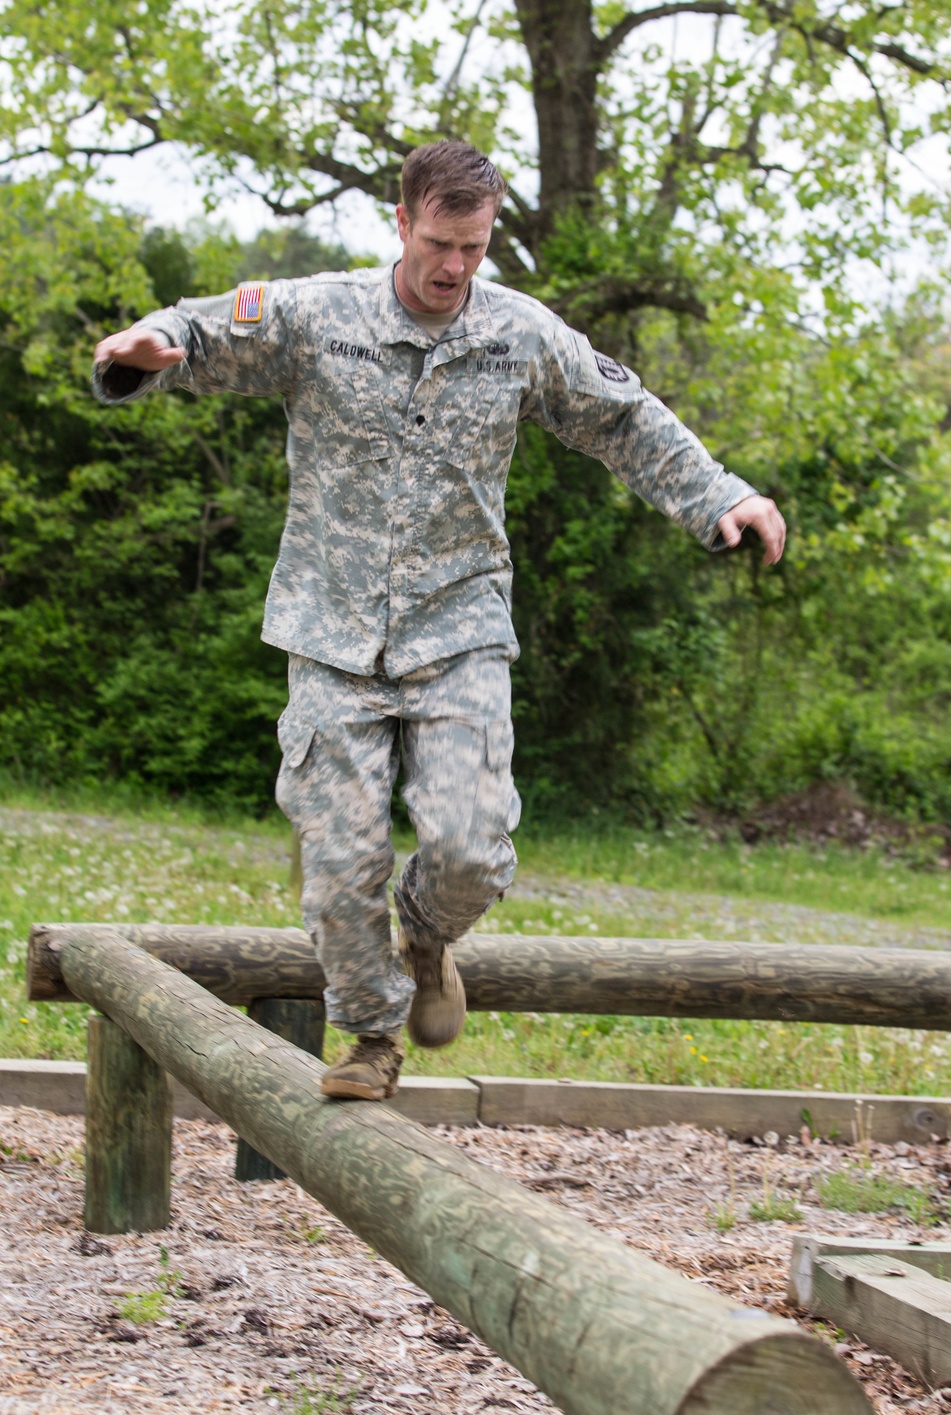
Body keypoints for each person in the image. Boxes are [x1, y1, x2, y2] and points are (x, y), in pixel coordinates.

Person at [92, 140, 785, 1101]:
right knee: (339, 866)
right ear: (402, 221)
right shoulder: (316, 316)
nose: (456, 267)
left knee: (469, 844)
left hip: (458, 625)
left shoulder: (518, 333)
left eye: (475, 245)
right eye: (439, 243)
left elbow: (622, 418)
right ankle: (373, 1039)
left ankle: (427, 934)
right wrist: (142, 354)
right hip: (331, 634)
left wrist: (721, 496)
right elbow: (196, 333)